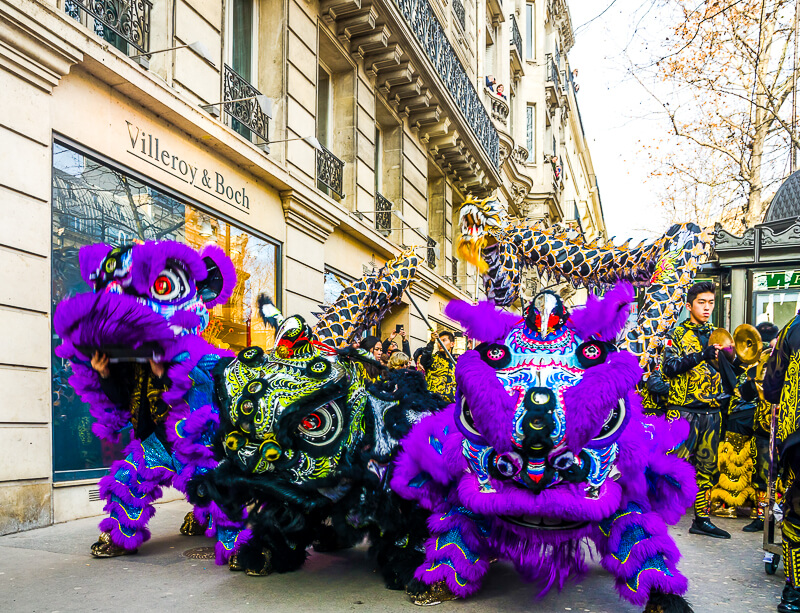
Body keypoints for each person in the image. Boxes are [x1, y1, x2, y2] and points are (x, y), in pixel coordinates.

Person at [661, 281, 731, 539]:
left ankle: (701, 519)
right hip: (683, 411)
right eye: (702, 302)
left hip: (711, 412)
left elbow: (729, 372)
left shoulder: (719, 335)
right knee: (670, 464)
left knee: (707, 469)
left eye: (711, 302)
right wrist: (701, 355)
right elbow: (669, 368)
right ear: (689, 306)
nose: (707, 307)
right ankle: (656, 515)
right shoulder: (676, 334)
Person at [725, 321, 779, 532]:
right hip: (763, 427)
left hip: (785, 426)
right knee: (762, 475)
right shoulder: (756, 365)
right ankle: (763, 518)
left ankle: (783, 518)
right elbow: (746, 393)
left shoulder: (785, 360)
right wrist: (754, 375)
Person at [763, 309, 800, 613]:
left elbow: (772, 388)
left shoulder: (792, 329)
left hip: (798, 439)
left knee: (797, 514)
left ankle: (795, 592)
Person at [419, 330, 457, 403]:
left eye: (444, 340)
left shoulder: (456, 364)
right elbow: (424, 360)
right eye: (439, 341)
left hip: (450, 403)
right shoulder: (433, 359)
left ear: (452, 344)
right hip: (433, 402)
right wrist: (432, 341)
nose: (440, 343)